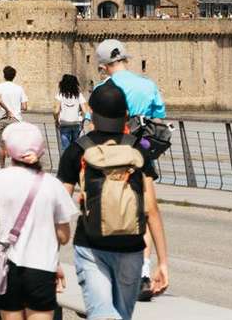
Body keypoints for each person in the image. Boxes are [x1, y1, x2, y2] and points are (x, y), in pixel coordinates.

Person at [57, 81, 170, 320]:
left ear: (92, 116)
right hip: (131, 248)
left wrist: (50, 257)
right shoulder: (138, 149)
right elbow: (151, 209)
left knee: (102, 314)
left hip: (90, 244)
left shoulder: (78, 150)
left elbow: (59, 207)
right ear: (126, 116)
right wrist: (162, 262)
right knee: (120, 316)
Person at [0, 122, 77, 320]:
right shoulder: (52, 185)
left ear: (7, 151)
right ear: (40, 151)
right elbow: (64, 236)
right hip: (42, 268)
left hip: (9, 267)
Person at [93, 40, 166, 119]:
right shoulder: (149, 85)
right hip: (145, 130)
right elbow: (159, 116)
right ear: (126, 60)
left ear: (103, 67)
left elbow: (94, 122)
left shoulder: (100, 90)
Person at [54, 75, 85, 156]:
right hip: (76, 123)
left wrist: (56, 120)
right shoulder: (79, 95)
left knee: (66, 148)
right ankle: (75, 165)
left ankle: (66, 165)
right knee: (76, 147)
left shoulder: (60, 95)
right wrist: (82, 121)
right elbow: (85, 110)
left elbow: (56, 111)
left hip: (64, 123)